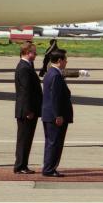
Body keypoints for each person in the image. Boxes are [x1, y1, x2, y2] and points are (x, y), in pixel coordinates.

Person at [41, 49, 73, 177]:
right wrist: (58, 115)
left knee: (51, 142)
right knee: (54, 143)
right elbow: (55, 98)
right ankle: (49, 169)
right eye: (65, 60)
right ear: (59, 60)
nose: (66, 62)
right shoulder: (55, 75)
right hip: (55, 116)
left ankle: (49, 167)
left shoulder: (51, 72)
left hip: (49, 114)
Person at [14, 42, 42, 174]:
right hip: (27, 111)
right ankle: (20, 166)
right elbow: (25, 91)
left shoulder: (28, 65)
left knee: (26, 139)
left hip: (29, 109)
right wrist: (28, 110)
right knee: (24, 139)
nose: (36, 55)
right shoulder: (24, 68)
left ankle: (22, 165)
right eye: (34, 52)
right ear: (27, 52)